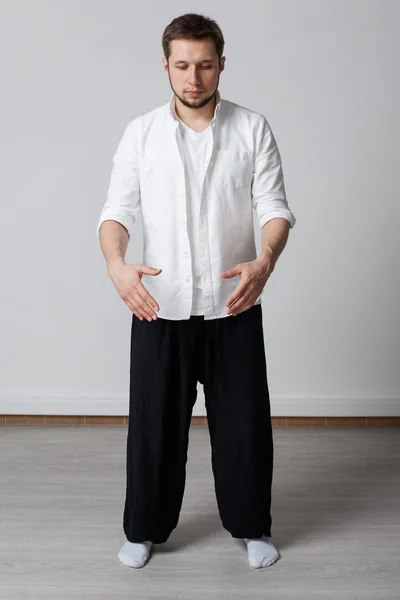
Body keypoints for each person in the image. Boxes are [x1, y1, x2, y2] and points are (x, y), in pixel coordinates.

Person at [97, 13, 296, 569]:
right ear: (166, 66)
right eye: (182, 65)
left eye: (205, 65)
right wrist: (117, 266)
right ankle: (144, 530)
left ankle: (253, 527)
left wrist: (266, 259)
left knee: (244, 427)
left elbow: (274, 209)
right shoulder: (140, 133)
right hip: (160, 306)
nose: (194, 77)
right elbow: (117, 213)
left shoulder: (252, 128)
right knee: (154, 428)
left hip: (234, 301)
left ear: (221, 65)